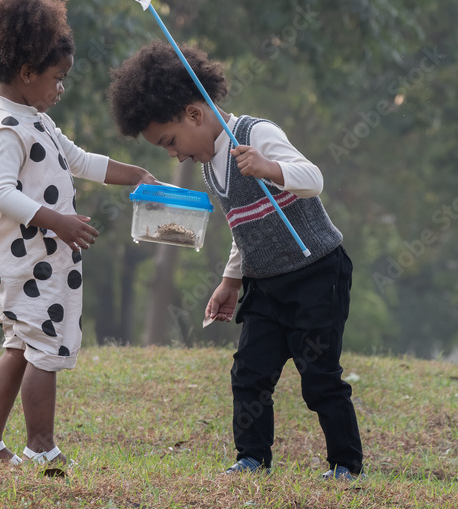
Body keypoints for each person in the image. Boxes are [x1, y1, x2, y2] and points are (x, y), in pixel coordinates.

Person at [107, 40, 363, 480]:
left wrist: (270, 168)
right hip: (264, 283)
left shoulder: (255, 135)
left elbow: (313, 179)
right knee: (249, 374)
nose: (174, 154)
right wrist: (231, 281)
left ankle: (346, 464)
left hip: (316, 274)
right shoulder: (210, 166)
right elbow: (243, 229)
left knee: (319, 377)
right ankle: (252, 458)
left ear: (194, 114)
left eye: (170, 142)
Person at [0, 0, 155, 469]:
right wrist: (59, 223)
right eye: (57, 77)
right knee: (46, 349)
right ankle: (41, 448)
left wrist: (133, 174)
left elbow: (79, 160)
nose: (60, 88)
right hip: (25, 259)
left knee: (20, 348)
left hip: (37, 256)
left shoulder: (36, 119)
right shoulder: (9, 129)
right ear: (27, 72)